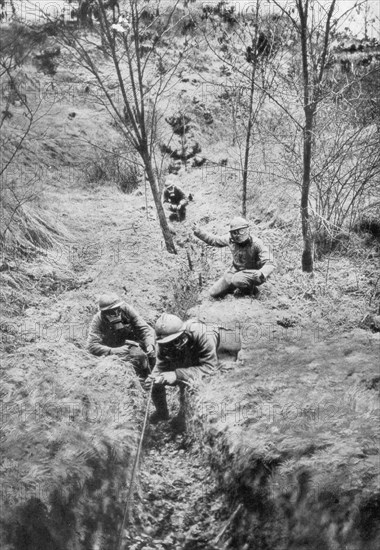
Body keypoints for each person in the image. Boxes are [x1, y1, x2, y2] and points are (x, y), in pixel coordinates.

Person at [145, 313, 219, 424]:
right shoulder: (163, 343)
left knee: (199, 383)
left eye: (173, 342)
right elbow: (160, 365)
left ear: (183, 335)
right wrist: (154, 378)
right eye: (166, 343)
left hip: (218, 352)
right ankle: (162, 413)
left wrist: (176, 374)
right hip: (190, 353)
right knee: (156, 383)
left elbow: (210, 368)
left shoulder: (203, 334)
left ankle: (184, 415)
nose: (168, 347)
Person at [192, 216, 275, 298]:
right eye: (234, 232)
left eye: (241, 231)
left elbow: (270, 262)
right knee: (213, 292)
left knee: (237, 279)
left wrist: (262, 273)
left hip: (251, 274)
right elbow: (214, 240)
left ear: (247, 230)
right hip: (234, 271)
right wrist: (198, 231)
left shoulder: (257, 243)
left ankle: (253, 291)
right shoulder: (230, 239)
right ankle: (235, 286)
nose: (238, 235)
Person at [86, 292, 156, 376]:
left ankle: (153, 374)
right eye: (111, 312)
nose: (116, 314)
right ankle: (143, 381)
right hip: (113, 347)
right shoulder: (98, 320)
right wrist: (113, 351)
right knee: (137, 358)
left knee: (152, 350)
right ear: (104, 313)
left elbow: (144, 329)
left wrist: (150, 344)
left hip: (131, 342)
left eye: (117, 309)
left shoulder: (126, 309)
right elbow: (92, 345)